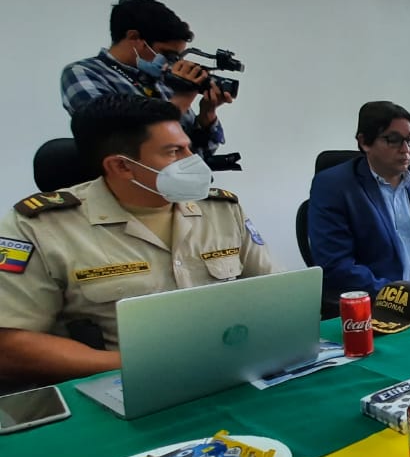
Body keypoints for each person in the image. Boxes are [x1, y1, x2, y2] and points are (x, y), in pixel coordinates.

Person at [0, 94, 275, 385]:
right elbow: (10, 344)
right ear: (121, 166)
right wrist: (139, 366)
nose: (193, 160)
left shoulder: (222, 210)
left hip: (228, 375)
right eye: (174, 152)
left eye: (188, 147)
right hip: (117, 387)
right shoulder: (38, 227)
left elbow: (276, 294)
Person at [308, 101, 410, 305]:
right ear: (365, 142)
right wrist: (404, 298)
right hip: (381, 302)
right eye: (393, 140)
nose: (405, 149)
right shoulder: (334, 187)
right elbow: (337, 265)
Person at [61, 0, 232, 161]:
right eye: (167, 54)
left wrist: (207, 115)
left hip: (177, 178)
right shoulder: (84, 73)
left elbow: (198, 155)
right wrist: (180, 102)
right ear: (134, 37)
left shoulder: (162, 81)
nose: (171, 62)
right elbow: (117, 140)